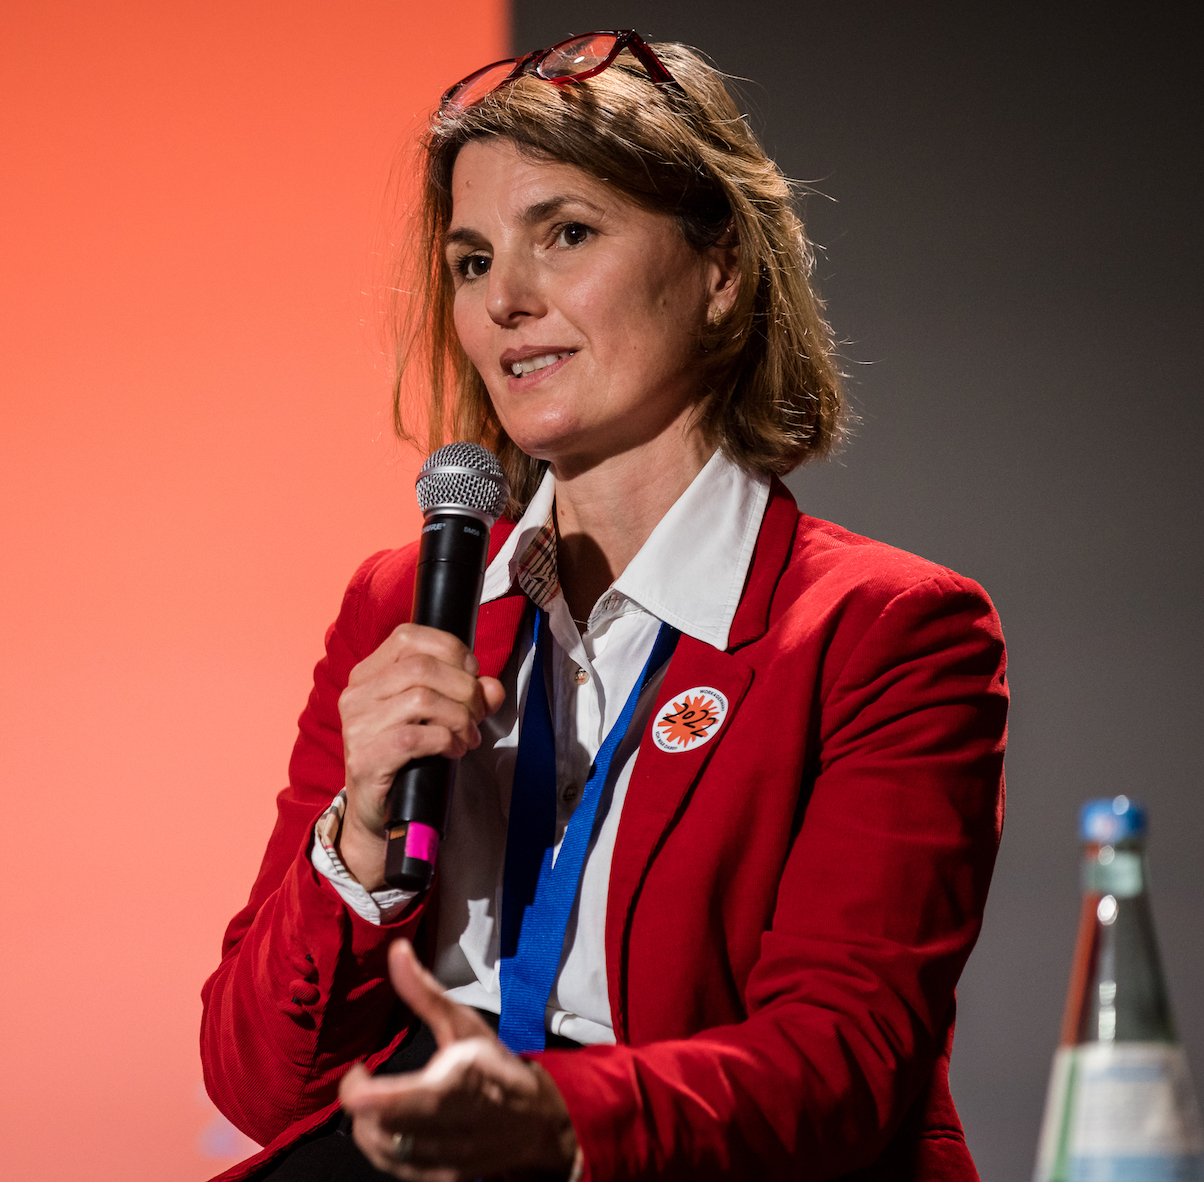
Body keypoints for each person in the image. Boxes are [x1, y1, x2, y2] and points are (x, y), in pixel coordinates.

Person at [201, 30, 1007, 1182]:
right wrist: (361, 836)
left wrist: (554, 1118)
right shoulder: (403, 603)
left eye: (565, 234)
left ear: (720, 270)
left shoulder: (882, 630)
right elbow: (257, 1085)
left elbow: (841, 1060)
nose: (503, 301)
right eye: (471, 260)